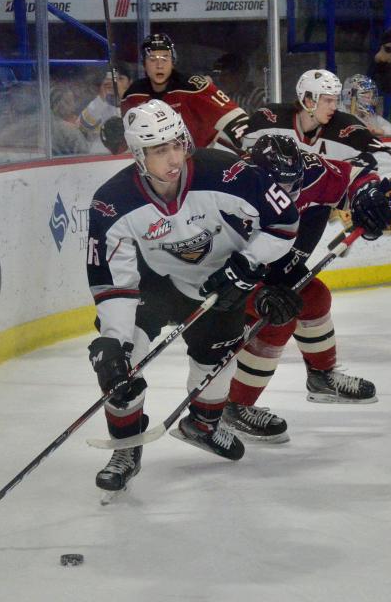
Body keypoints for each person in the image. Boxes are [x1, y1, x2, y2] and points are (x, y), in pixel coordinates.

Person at [86, 99, 301, 494]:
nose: (173, 159)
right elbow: (112, 281)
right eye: (158, 151)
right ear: (137, 155)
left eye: (176, 145)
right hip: (153, 284)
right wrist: (112, 340)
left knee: (217, 360)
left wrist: (248, 265)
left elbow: (285, 223)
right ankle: (125, 447)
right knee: (121, 362)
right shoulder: (110, 202)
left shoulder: (228, 172)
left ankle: (201, 426)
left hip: (219, 282)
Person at [223, 71, 391, 439]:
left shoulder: (311, 168)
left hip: (281, 250)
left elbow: (356, 175)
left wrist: (368, 198)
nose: (334, 107)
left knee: (313, 295)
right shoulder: (236, 190)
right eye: (327, 99)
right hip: (229, 268)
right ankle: (233, 406)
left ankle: (321, 377)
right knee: (278, 316)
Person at [243, 68, 391, 175]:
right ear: (309, 101)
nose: (334, 107)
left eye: (336, 100)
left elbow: (387, 156)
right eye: (328, 101)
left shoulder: (347, 126)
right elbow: (240, 151)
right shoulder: (270, 118)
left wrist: (347, 168)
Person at [120, 33, 250, 151]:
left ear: (173, 62)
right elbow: (129, 138)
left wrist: (249, 142)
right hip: (158, 165)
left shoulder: (193, 87)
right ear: (144, 64)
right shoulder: (132, 96)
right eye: (152, 59)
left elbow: (233, 116)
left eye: (165, 58)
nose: (159, 65)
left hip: (200, 159)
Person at [78, 63, 131, 155]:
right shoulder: (99, 105)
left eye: (120, 79)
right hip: (100, 159)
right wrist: (101, 97)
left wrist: (122, 96)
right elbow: (83, 126)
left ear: (130, 82)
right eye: (113, 80)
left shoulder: (137, 105)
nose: (116, 83)